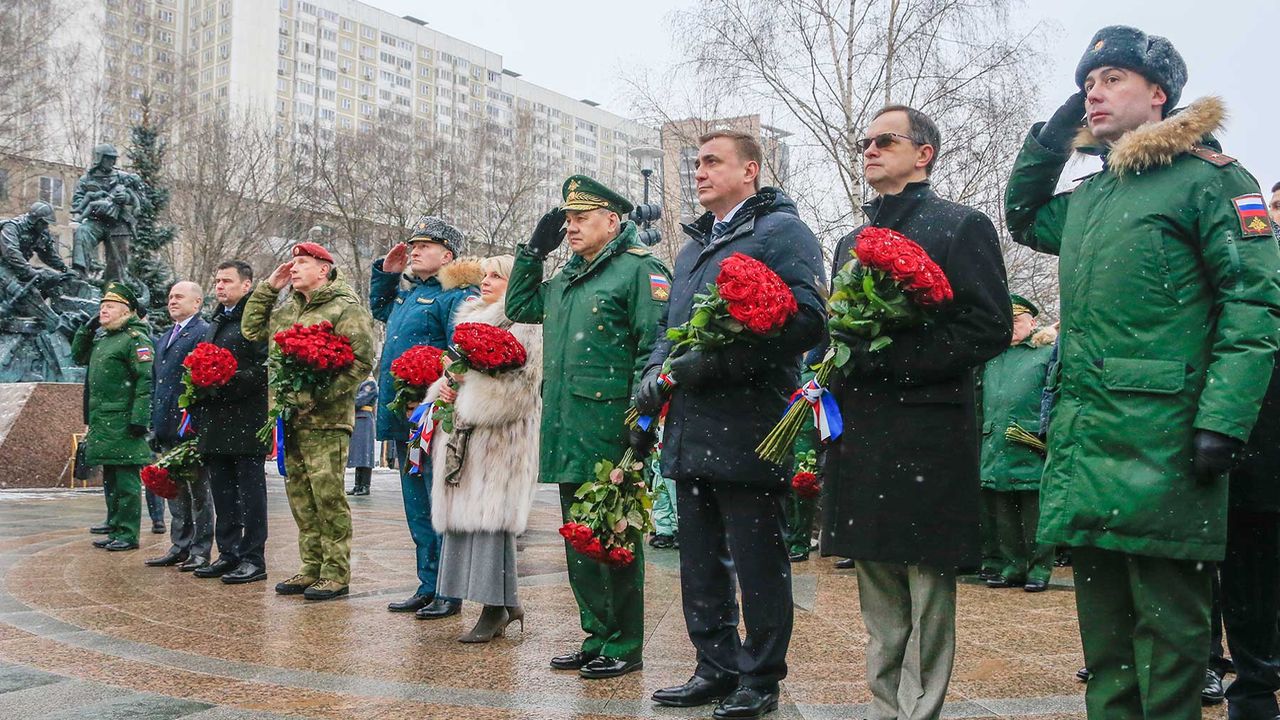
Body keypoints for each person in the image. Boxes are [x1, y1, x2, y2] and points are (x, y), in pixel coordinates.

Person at [1005, 26, 1280, 720]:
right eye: (1086, 85)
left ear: (1159, 95)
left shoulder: (1215, 181)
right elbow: (1024, 216)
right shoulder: (1093, 199)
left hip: (1166, 442)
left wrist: (1222, 420)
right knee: (1107, 644)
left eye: (1112, 80)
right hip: (1089, 439)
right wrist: (1053, 137)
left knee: (1172, 638)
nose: (1094, 93)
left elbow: (1254, 304)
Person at [821, 105, 1012, 720]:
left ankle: (921, 710)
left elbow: (989, 326)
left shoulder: (961, 225)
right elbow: (841, 326)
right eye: (865, 143)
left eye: (885, 140)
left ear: (924, 152)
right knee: (875, 574)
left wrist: (895, 355)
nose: (870, 150)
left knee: (927, 582)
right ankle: (884, 707)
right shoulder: (852, 241)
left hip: (926, 427)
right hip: (864, 427)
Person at [638, 130, 827, 720]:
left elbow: (806, 324)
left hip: (748, 424)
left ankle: (761, 676)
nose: (698, 172)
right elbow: (672, 331)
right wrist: (653, 376)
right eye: (695, 163)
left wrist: (712, 364)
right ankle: (714, 665)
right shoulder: (694, 246)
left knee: (757, 561)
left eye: (711, 162)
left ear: (751, 171)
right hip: (691, 424)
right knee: (698, 559)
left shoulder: (781, 233)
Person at [507, 174, 669, 680]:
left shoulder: (638, 271)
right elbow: (519, 307)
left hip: (610, 428)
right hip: (566, 425)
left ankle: (624, 642)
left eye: (580, 218)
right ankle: (596, 635)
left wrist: (644, 420)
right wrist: (532, 252)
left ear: (612, 221)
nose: (571, 227)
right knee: (581, 540)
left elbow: (654, 347)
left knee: (614, 535)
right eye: (567, 219)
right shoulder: (568, 277)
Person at [243, 242, 374, 601]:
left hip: (327, 420)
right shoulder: (289, 309)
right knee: (300, 496)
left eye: (302, 262)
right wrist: (269, 288)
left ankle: (335, 572)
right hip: (291, 418)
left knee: (328, 496)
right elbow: (252, 331)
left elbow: (361, 361)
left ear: (324, 269)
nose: (294, 267)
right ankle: (311, 566)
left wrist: (318, 395)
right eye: (294, 262)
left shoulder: (344, 308)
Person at [424, 254, 541, 643]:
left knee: (491, 521)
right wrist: (442, 388)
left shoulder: (527, 324)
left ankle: (495, 606)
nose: (486, 281)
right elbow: (455, 372)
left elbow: (524, 390)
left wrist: (467, 398)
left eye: (497, 276)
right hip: (466, 435)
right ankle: (503, 604)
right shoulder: (470, 319)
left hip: (501, 438)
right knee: (467, 519)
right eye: (485, 275)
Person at [369, 216, 480, 618]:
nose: (413, 251)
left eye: (424, 246)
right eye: (412, 245)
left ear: (447, 254)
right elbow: (379, 309)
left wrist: (438, 392)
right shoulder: (408, 293)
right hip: (405, 416)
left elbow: (461, 354)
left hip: (432, 416)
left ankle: (449, 589)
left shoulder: (456, 295)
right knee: (416, 503)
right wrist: (387, 273)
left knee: (439, 502)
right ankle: (427, 583)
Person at [193, 260, 269, 583]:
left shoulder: (254, 321)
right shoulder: (217, 321)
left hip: (246, 420)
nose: (220, 286)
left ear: (247, 285)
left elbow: (266, 367)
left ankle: (253, 557)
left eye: (227, 281)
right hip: (216, 420)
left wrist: (230, 380)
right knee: (222, 492)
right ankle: (228, 552)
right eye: (217, 280)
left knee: (250, 494)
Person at [978, 294, 1056, 593]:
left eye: (1018, 321)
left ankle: (1039, 569)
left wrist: (1046, 436)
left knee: (1034, 512)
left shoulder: (1045, 353)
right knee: (1003, 514)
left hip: (1030, 442)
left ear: (1032, 322)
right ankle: (1013, 566)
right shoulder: (993, 355)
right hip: (994, 443)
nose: (1012, 327)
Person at [72, 282, 155, 552]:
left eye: (110, 307)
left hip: (124, 422)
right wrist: (88, 327)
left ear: (126, 311)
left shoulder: (135, 340)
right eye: (101, 306)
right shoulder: (105, 338)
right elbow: (77, 355)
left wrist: (139, 420)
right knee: (110, 476)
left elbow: (145, 382)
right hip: (104, 419)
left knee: (126, 480)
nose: (103, 310)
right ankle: (116, 525)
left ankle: (128, 533)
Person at [144, 281, 213, 569]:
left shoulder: (203, 333)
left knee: (199, 493)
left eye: (179, 297)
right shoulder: (164, 338)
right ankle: (180, 545)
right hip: (165, 426)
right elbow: (157, 383)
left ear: (196, 303)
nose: (172, 301)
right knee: (176, 491)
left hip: (189, 427)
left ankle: (200, 549)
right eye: (171, 296)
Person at [346, 377, 377, 496]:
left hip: (364, 419)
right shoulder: (360, 381)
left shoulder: (370, 383)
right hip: (357, 418)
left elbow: (359, 401)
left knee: (365, 453)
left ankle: (365, 486)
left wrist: (346, 402)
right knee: (359, 454)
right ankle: (358, 485)